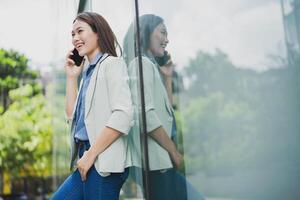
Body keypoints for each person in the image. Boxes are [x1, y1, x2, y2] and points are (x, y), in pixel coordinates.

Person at [52, 12, 133, 200]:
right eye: (72, 34)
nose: (75, 38)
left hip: (102, 160)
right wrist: (72, 77)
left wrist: (90, 155)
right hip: (87, 158)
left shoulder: (112, 64)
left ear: (98, 32)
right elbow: (72, 116)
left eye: (80, 31)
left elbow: (123, 115)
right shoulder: (88, 73)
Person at [123, 14, 205, 200]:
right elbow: (146, 117)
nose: (167, 40)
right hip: (156, 163)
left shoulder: (148, 65)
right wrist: (173, 152)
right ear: (146, 33)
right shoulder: (140, 64)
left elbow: (165, 113)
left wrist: (167, 77)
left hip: (160, 162)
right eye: (162, 33)